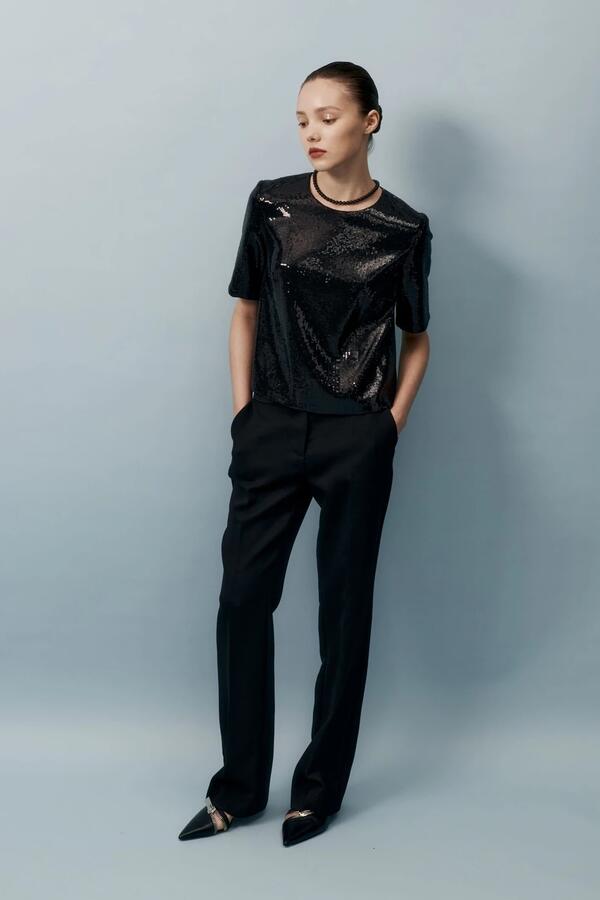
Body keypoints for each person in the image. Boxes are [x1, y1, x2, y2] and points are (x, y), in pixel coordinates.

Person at [178, 60, 433, 848]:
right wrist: (244, 415)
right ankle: (238, 789)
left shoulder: (405, 229)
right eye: (301, 120)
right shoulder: (272, 203)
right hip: (273, 427)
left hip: (356, 437)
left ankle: (317, 793)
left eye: (327, 117)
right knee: (242, 602)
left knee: (343, 617)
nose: (312, 133)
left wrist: (387, 427)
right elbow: (245, 313)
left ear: (370, 121)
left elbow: (417, 340)